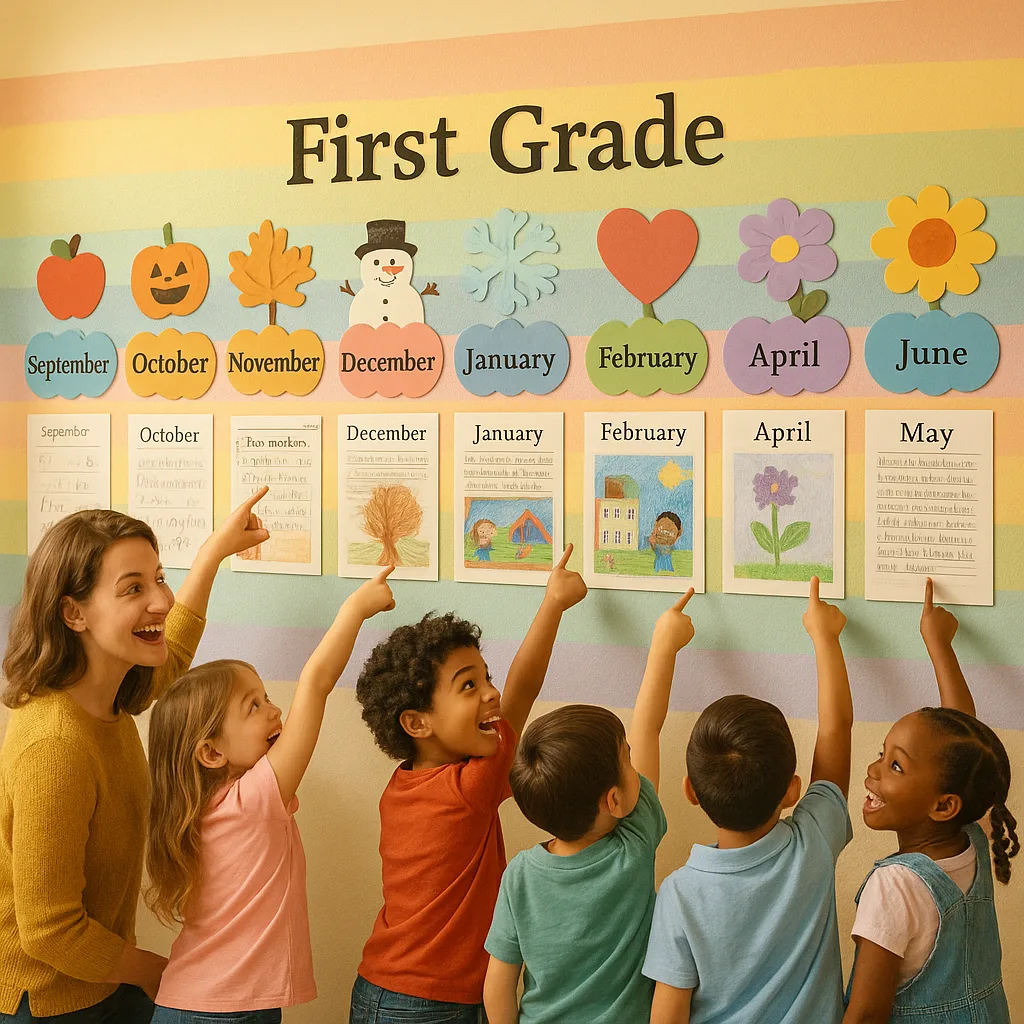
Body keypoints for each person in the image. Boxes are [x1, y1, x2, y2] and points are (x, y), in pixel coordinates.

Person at [0, 492, 269, 1021]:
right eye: (133, 588)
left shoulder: (108, 698)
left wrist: (213, 554)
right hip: (49, 998)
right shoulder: (55, 747)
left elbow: (172, 651)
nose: (161, 601)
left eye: (159, 579)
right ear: (73, 613)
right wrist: (156, 972)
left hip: (99, 977)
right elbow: (50, 931)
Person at [146, 569, 396, 1024]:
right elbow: (315, 683)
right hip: (223, 1013)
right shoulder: (253, 801)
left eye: (265, 697)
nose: (275, 710)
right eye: (254, 706)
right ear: (211, 752)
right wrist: (355, 610)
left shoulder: (203, 810)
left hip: (202, 1003)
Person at [350, 547, 587, 1023]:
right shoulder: (469, 788)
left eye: (486, 678)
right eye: (468, 686)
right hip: (428, 1006)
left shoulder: (404, 784)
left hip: (387, 989)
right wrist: (553, 604)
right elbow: (522, 691)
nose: (491, 693)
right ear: (417, 723)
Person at [644, 577, 853, 1023]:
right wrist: (825, 638)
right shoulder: (813, 843)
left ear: (690, 792)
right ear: (792, 792)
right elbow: (837, 728)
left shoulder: (680, 894)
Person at [484, 591, 696, 1023]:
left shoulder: (520, 875)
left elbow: (498, 984)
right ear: (614, 801)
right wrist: (665, 644)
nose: (636, 765)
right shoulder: (633, 846)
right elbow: (648, 726)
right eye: (628, 760)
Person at [842, 579, 1017, 1023]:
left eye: (895, 765)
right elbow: (962, 744)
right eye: (882, 753)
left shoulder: (893, 886)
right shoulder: (971, 840)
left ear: (943, 806)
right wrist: (938, 644)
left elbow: (865, 1014)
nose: (874, 768)